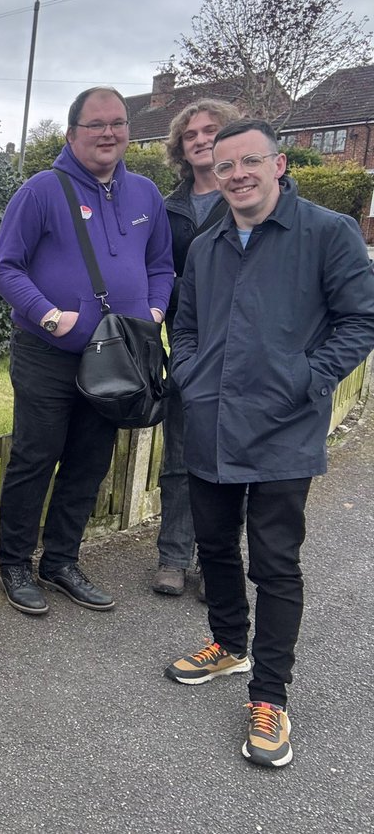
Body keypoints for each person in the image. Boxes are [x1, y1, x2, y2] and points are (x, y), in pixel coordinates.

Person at [164, 119, 374, 767]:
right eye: (225, 166)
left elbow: (360, 319)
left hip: (285, 428)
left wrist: (307, 379)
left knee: (276, 565)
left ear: (279, 165)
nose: (237, 175)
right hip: (212, 423)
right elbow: (188, 325)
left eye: (250, 161)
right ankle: (229, 643)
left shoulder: (328, 233)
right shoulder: (208, 243)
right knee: (216, 548)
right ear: (215, 175)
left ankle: (270, 698)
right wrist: (193, 381)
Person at [0, 87, 174, 616]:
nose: (108, 133)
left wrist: (154, 313)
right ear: (72, 133)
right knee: (36, 455)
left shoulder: (145, 195)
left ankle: (61, 561)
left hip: (119, 355)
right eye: (96, 125)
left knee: (90, 460)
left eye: (117, 123)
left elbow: (162, 265)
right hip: (48, 351)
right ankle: (16, 563)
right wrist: (50, 314)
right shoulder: (42, 190)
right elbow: (5, 267)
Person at [152, 99, 240, 598]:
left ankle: (216, 561)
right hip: (187, 344)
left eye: (213, 130)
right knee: (181, 453)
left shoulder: (251, 199)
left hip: (243, 345)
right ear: (180, 149)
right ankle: (172, 556)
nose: (202, 139)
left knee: (232, 457)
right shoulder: (169, 210)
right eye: (192, 135)